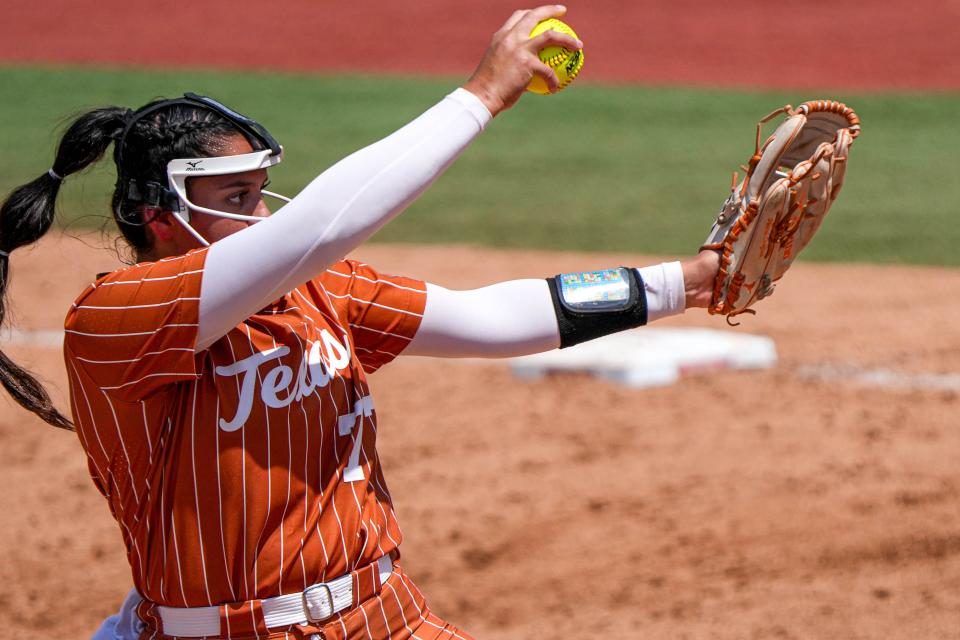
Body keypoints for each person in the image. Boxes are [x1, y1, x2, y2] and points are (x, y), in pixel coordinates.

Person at [0, 6, 719, 639]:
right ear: (161, 218)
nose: (262, 214)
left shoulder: (316, 288)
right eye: (238, 196)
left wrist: (681, 284)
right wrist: (481, 97)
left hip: (387, 617)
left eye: (262, 191)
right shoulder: (115, 320)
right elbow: (317, 226)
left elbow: (487, 318)